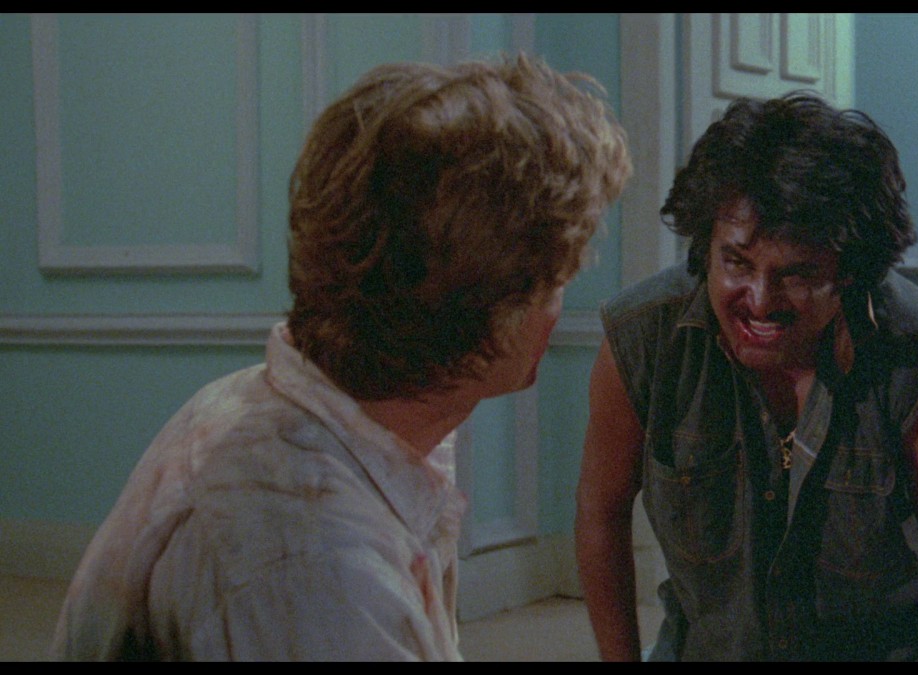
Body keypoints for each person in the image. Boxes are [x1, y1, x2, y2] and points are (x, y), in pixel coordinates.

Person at [51, 53, 631, 661]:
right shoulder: (316, 573)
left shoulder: (261, 406)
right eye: (555, 280)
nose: (559, 304)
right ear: (485, 311)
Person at [575, 92, 918, 661]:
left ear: (850, 271)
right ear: (706, 245)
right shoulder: (643, 340)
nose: (759, 301)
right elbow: (600, 514)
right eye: (736, 263)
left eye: (796, 274)